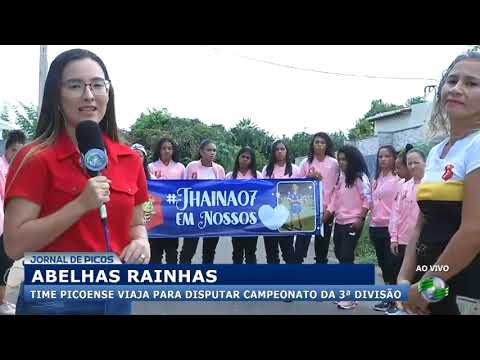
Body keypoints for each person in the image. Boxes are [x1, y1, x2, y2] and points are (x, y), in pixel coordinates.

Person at [3, 48, 150, 315]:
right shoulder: (35, 158)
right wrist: (80, 205)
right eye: (75, 86)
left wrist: (142, 242)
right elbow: (14, 245)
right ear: (56, 96)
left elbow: (137, 224)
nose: (89, 95)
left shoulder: (130, 159)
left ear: (108, 93)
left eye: (97, 85)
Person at [399, 52, 480, 315]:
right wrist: (404, 280)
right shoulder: (436, 152)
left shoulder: (477, 145)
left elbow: (473, 232)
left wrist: (426, 289)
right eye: (452, 80)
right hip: (430, 278)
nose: (456, 89)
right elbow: (420, 224)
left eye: (471, 83)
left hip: (463, 280)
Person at [327, 145, 371, 310]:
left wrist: (361, 218)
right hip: (339, 222)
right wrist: (328, 213)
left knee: (346, 256)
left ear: (352, 159)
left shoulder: (360, 177)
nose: (341, 162)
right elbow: (335, 199)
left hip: (353, 222)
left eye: (344, 159)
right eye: (339, 159)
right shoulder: (341, 177)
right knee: (339, 254)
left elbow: (367, 199)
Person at [386, 147, 425, 315]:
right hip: (401, 241)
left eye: (416, 162)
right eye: (409, 163)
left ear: (425, 163)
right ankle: (401, 307)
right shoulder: (404, 187)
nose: (413, 166)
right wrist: (393, 237)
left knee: (420, 279)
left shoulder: (431, 185)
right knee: (401, 277)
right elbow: (395, 213)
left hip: (422, 243)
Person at [296, 132, 339, 264]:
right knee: (299, 249)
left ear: (327, 145)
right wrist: (308, 179)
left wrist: (329, 211)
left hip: (326, 211)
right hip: (306, 211)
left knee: (322, 250)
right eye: (316, 142)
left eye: (322, 142)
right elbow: (297, 185)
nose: (319, 145)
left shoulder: (334, 163)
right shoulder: (306, 163)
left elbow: (337, 189)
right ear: (312, 145)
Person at [180, 139, 225, 264]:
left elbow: (223, 192)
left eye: (214, 150)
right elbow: (183, 188)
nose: (212, 153)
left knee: (209, 250)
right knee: (188, 249)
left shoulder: (220, 169)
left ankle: (207, 276)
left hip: (212, 215)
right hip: (193, 215)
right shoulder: (191, 166)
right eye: (209, 150)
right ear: (201, 151)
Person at [369, 145, 402, 312]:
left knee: (392, 265)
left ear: (394, 158)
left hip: (390, 228)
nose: (383, 159)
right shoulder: (376, 179)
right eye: (380, 156)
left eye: (387, 156)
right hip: (375, 226)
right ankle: (387, 298)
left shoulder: (398, 180)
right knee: (383, 265)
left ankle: (396, 301)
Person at [0, 130, 26, 315]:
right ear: (7, 150)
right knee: (3, 267)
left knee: (7, 265)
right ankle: (3, 303)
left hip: (9, 227)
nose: (17, 155)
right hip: (3, 226)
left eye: (20, 151)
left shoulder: (17, 170)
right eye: (14, 151)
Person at [261, 140, 300, 264]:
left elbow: (301, 189)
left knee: (288, 251)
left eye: (282, 149)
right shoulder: (267, 169)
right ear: (273, 152)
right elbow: (262, 191)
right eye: (277, 149)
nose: (279, 151)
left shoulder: (295, 169)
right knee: (271, 253)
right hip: (270, 215)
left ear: (287, 151)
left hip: (287, 216)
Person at [147, 138, 185, 264]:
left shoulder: (180, 168)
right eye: (164, 148)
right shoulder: (151, 167)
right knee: (155, 251)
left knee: (172, 252)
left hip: (172, 214)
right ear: (159, 150)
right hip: (155, 213)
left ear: (173, 150)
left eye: (169, 148)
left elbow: (185, 190)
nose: (167, 151)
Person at [226, 146, 262, 264]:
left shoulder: (258, 176)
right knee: (237, 251)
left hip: (252, 219)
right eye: (243, 156)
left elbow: (263, 196)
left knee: (251, 251)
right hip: (236, 219)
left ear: (252, 160)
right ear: (238, 158)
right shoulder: (230, 176)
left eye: (248, 157)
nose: (245, 159)